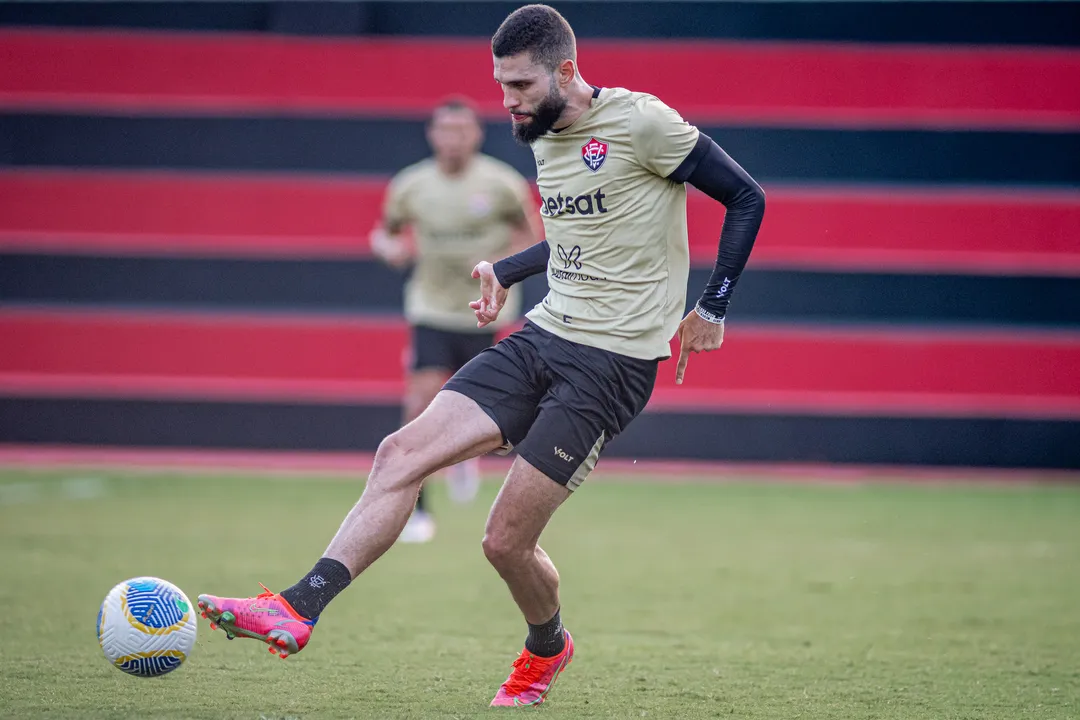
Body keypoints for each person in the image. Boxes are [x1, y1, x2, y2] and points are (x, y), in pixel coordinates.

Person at [197, 3, 765, 708]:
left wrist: (712, 305)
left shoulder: (643, 122)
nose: (508, 102)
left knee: (503, 543)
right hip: (545, 334)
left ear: (565, 72)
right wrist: (508, 269)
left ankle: (547, 648)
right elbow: (573, 235)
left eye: (521, 86)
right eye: (501, 85)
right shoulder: (542, 136)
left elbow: (746, 196)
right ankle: (296, 606)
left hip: (612, 366)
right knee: (399, 453)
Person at [369, 97, 537, 543]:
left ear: (477, 135)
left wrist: (498, 267)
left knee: (481, 407)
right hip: (431, 307)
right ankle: (418, 511)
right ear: (432, 134)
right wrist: (390, 250)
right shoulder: (411, 185)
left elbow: (531, 235)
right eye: (445, 130)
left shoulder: (501, 184)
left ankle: (466, 458)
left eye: (462, 130)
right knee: (420, 401)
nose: (453, 139)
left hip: (484, 311)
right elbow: (385, 233)